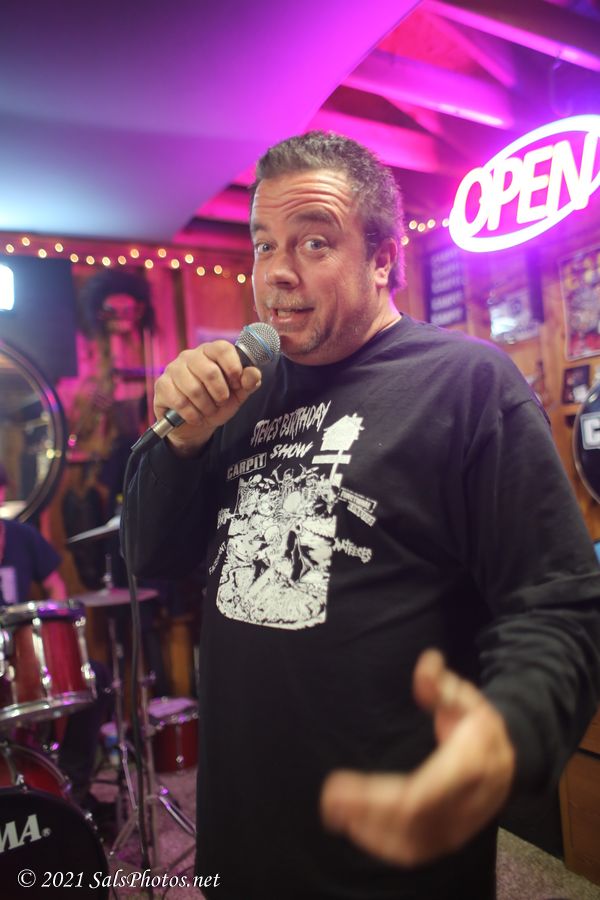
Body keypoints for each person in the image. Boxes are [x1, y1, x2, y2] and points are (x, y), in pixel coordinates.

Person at [123, 132, 600, 900]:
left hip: (390, 855)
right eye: (264, 245)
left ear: (383, 259)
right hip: (241, 841)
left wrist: (506, 734)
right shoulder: (241, 394)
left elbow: (558, 603)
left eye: (315, 242)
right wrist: (181, 444)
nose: (278, 272)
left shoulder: (467, 383)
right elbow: (153, 558)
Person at [0, 463, 112, 821]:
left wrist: (57, 633)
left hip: (23, 661)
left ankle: (73, 789)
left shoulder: (22, 536)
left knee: (96, 678)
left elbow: (56, 586)